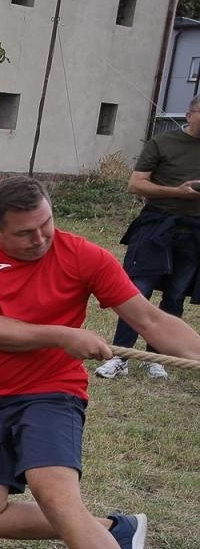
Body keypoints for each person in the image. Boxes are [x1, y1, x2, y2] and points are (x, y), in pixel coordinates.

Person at [0, 176, 200, 549]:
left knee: (56, 495)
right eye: (25, 233)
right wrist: (61, 334)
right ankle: (112, 529)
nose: (40, 238)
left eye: (46, 224)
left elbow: (149, 320)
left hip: (52, 394)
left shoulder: (85, 256)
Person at [95, 94, 200, 380]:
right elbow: (135, 184)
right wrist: (178, 192)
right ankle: (121, 355)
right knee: (136, 291)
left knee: (175, 295)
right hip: (157, 226)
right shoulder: (163, 143)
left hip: (194, 232)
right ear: (189, 115)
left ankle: (157, 357)